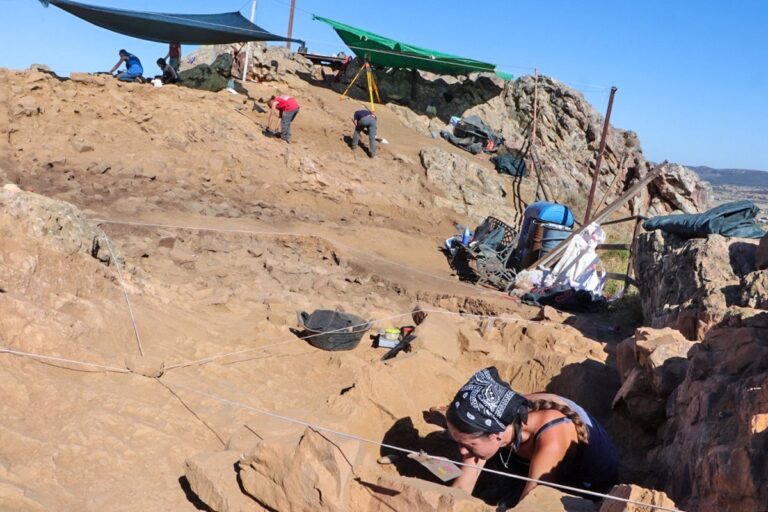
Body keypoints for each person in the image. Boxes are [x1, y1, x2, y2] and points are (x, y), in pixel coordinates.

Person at [446, 367, 618, 508]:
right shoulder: (497, 418)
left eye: (468, 445)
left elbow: (531, 504)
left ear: (495, 435)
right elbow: (461, 487)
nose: (463, 451)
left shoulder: (552, 439)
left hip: (588, 483)